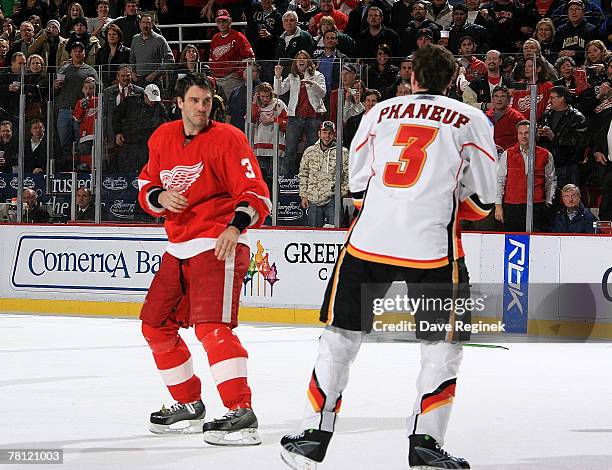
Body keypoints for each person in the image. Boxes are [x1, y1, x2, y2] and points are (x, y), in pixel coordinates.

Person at [280, 44, 498, 470]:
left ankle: (313, 436)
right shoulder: (471, 119)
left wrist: (391, 206)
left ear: (411, 77)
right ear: (453, 80)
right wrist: (439, 203)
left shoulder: (377, 113)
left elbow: (359, 185)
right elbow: (486, 199)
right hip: (432, 250)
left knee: (340, 336)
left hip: (367, 244)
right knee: (442, 345)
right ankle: (426, 446)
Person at [137, 73, 271, 444]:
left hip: (217, 243)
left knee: (212, 327)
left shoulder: (228, 138)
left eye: (207, 101)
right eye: (194, 100)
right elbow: (146, 184)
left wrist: (235, 227)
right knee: (155, 325)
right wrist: (159, 196)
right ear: (178, 102)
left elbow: (256, 192)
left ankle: (241, 410)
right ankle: (189, 403)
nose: (201, 107)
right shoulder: (162, 137)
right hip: (177, 246)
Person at [496, 120, 557, 232]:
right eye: (521, 133)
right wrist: (498, 205)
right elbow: (500, 181)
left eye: (527, 133)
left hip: (537, 205)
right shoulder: (507, 154)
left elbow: (551, 180)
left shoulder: (545, 154)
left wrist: (548, 201)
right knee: (513, 240)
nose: (524, 136)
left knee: (537, 240)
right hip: (512, 206)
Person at [298, 120, 348, 227]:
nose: (327, 136)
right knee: (314, 235)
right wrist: (304, 195)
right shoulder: (309, 151)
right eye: (324, 132)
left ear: (334, 134)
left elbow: (348, 175)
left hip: (333, 201)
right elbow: (303, 174)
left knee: (335, 235)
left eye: (330, 133)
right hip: (313, 200)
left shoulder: (342, 152)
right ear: (319, 133)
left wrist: (341, 193)